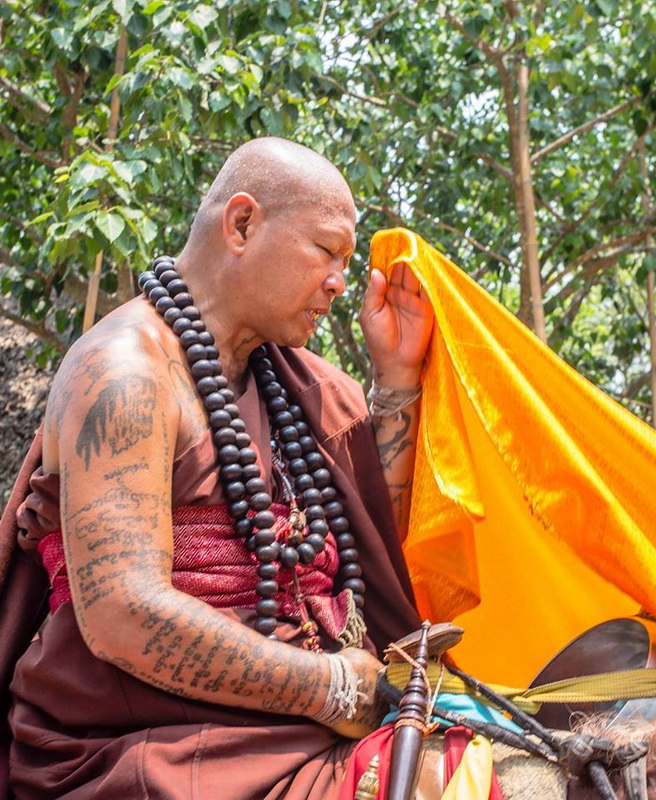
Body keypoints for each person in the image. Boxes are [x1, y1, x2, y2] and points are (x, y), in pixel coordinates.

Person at [1, 138, 433, 798]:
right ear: (242, 223)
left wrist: (398, 379)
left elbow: (378, 549)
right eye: (326, 250)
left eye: (347, 262)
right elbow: (123, 614)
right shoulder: (125, 374)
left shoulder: (300, 388)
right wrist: (331, 686)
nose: (340, 282)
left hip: (302, 733)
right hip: (149, 752)